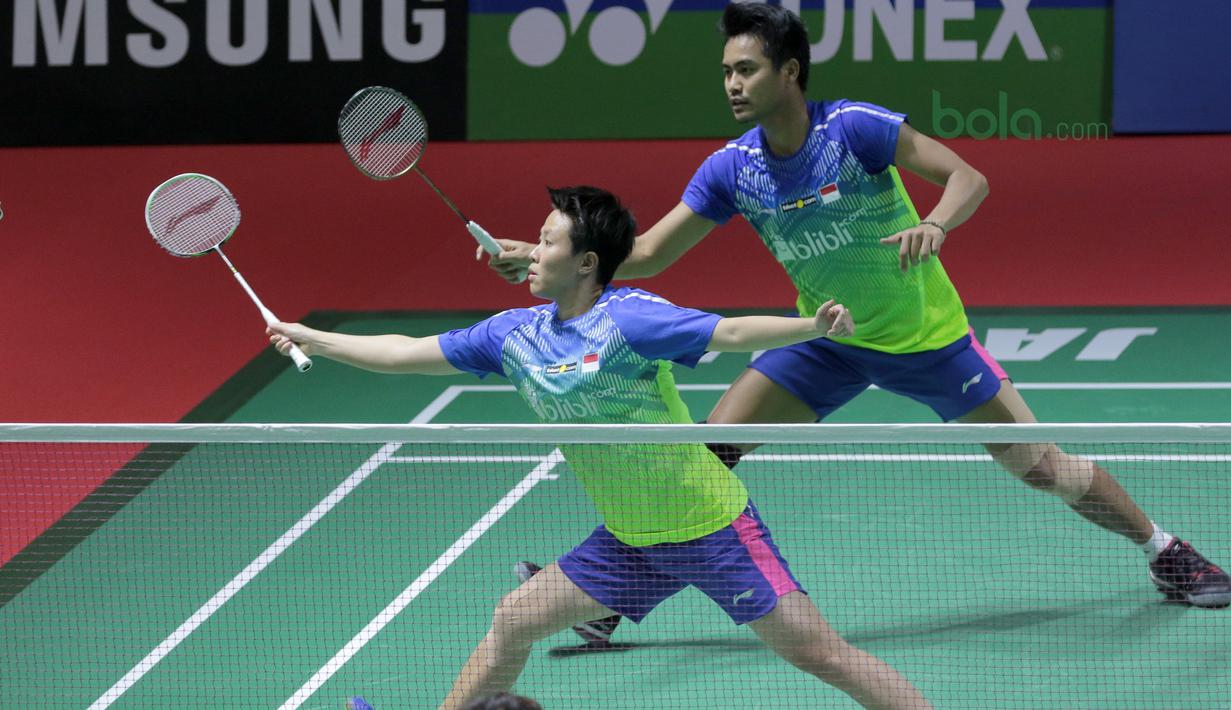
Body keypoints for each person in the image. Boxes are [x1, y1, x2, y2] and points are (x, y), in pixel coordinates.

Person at [482, 1, 1230, 619]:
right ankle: (617, 594)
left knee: (1041, 468)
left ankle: (1162, 549)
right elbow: (642, 256)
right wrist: (537, 252)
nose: (732, 85)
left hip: (927, 341)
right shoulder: (731, 169)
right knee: (706, 452)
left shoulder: (853, 130)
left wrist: (935, 223)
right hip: (829, 338)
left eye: (746, 69)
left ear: (789, 72)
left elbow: (967, 176)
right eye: (725, 73)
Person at [271, 186, 931, 710]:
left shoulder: (630, 320)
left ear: (586, 262)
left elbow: (727, 330)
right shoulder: (514, 336)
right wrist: (315, 338)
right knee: (514, 620)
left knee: (823, 656)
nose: (530, 251)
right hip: (629, 540)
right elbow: (404, 354)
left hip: (710, 529)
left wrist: (807, 326)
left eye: (546, 240)